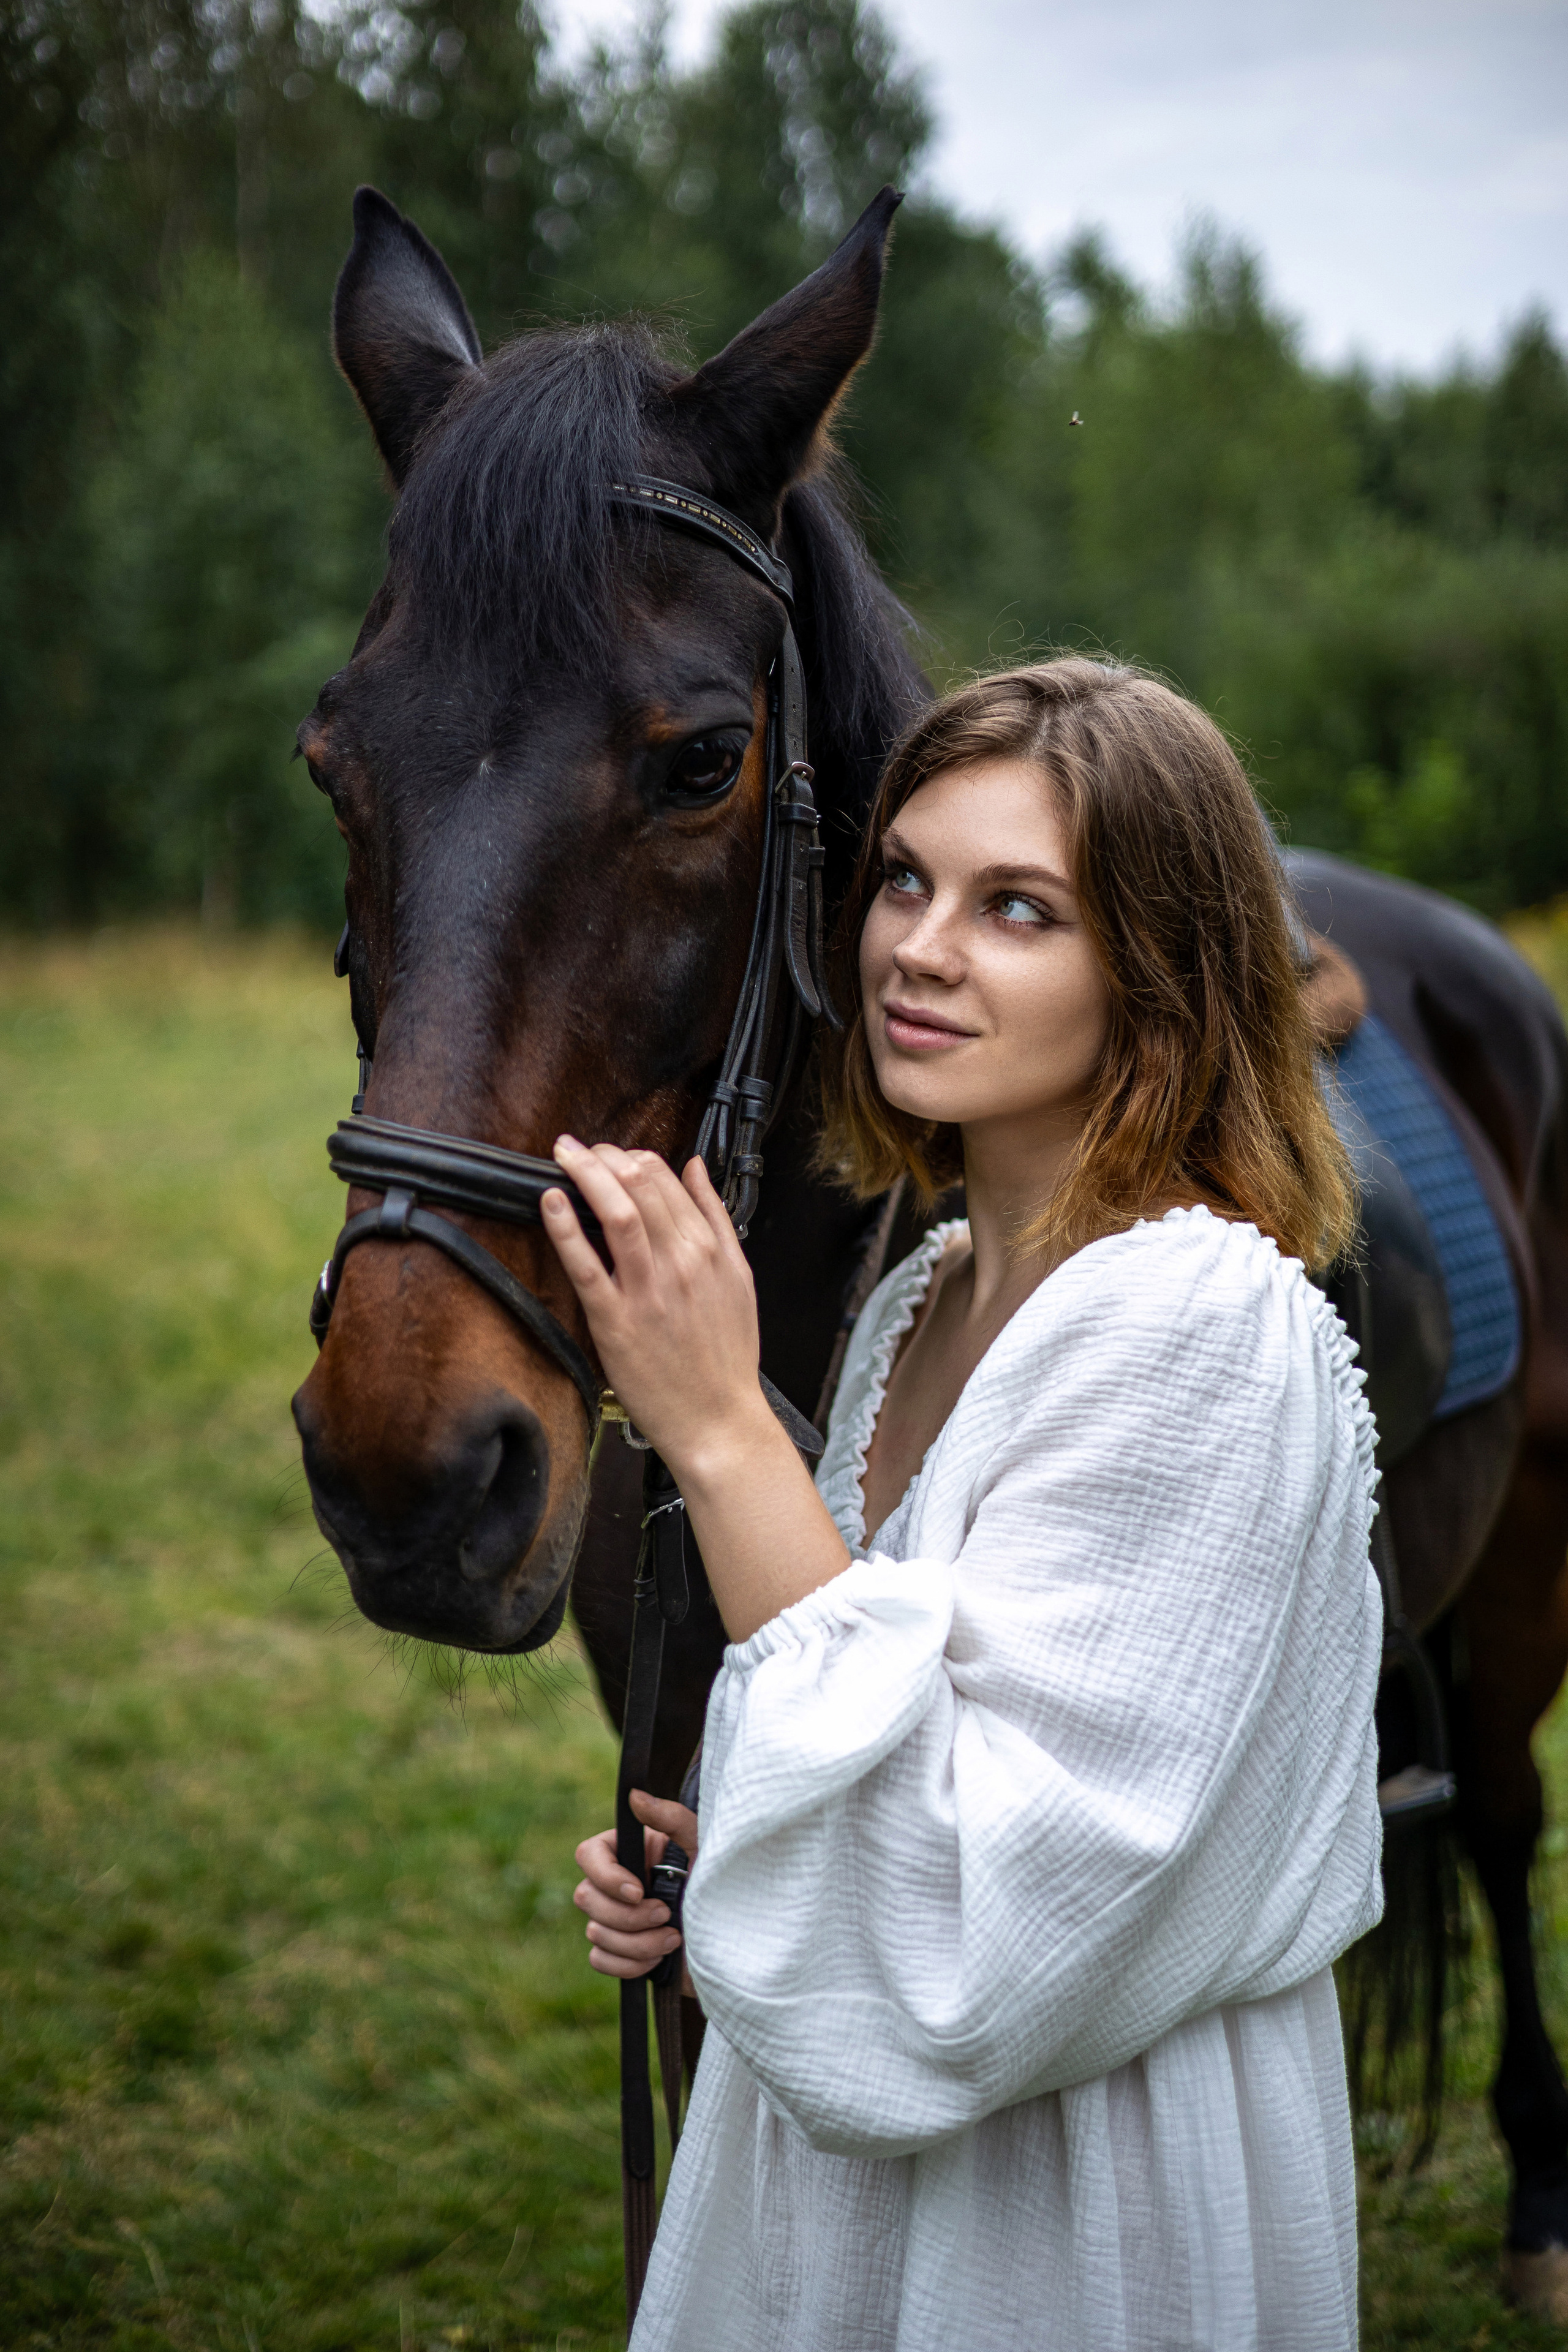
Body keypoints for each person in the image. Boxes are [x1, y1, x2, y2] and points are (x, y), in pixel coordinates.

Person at [543, 657, 1383, 2352]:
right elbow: (919, 1751)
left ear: (1160, 971)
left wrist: (716, 1428)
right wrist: (744, 1877)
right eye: (909, 881)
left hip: (1076, 2210)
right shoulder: (926, 1294)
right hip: (874, 2185)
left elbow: (984, 1928)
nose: (920, 948)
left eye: (1020, 910)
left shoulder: (1202, 1325)